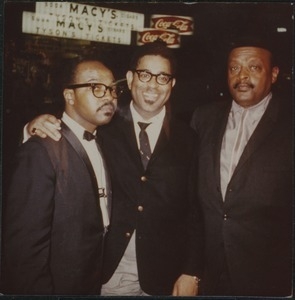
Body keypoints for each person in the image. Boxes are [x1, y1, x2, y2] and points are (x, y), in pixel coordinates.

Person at [20, 41, 204, 296]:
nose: (152, 85)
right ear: (129, 79)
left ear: (172, 84)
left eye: (163, 77)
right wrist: (33, 126)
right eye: (144, 75)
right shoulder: (103, 124)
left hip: (165, 277)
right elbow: (71, 121)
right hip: (106, 274)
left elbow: (196, 210)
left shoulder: (189, 139)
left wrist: (191, 271)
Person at [0, 56, 121, 295]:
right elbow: (25, 250)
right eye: (96, 87)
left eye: (112, 89)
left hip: (90, 280)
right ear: (69, 96)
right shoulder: (41, 149)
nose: (108, 96)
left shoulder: (105, 139)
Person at [190, 38, 293, 296]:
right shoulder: (203, 118)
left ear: (274, 74)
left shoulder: (289, 124)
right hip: (209, 271)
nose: (242, 76)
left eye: (254, 67)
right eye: (234, 68)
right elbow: (191, 199)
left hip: (268, 276)